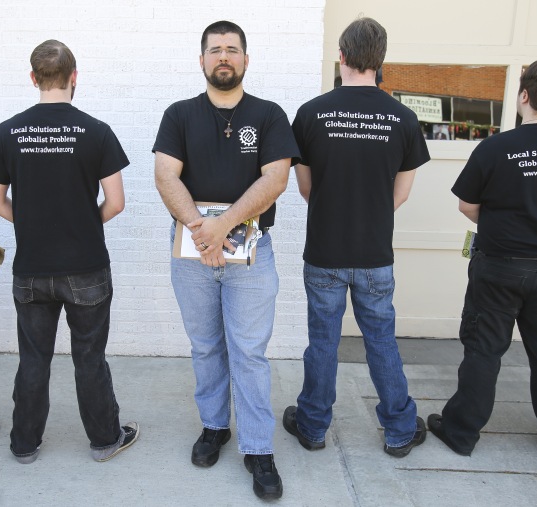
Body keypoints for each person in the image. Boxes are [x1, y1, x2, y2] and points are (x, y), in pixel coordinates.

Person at [153, 20, 299, 500]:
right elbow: (165, 176)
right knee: (205, 347)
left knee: (249, 352)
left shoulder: (269, 114)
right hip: (191, 251)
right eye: (215, 49)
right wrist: (202, 229)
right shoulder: (179, 114)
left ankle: (258, 449)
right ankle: (215, 426)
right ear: (201, 60)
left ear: (246, 60)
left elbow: (275, 179)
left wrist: (222, 226)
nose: (223, 56)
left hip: (251, 252)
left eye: (232, 49)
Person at [428, 58, 537, 458]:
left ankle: (461, 432)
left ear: (524, 95)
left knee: (484, 349)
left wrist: (505, 223)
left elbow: (467, 205)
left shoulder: (497, 147)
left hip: (499, 266)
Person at [0, 40, 138, 464]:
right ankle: (105, 440)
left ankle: (24, 444)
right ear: (74, 77)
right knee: (89, 358)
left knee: (33, 359)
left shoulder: (8, 131)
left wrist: (32, 225)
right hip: (86, 266)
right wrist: (82, 223)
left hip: (32, 266)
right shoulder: (96, 131)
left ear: (33, 78)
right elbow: (117, 203)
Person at [285, 17, 431, 458]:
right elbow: (399, 194)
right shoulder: (403, 119)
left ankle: (312, 427)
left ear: (342, 57)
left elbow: (307, 189)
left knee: (323, 342)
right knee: (381, 340)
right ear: (380, 62)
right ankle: (400, 429)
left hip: (326, 251)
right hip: (374, 253)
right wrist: (367, 214)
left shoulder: (311, 114)